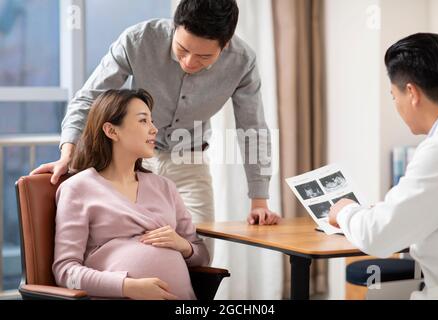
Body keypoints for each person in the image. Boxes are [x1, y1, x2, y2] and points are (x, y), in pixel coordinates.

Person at [30, 0, 281, 261]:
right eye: (182, 49)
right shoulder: (139, 40)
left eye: (204, 57)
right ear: (175, 27)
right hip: (132, 164)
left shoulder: (242, 62)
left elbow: (253, 129)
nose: (189, 62)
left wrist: (259, 200)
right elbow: (88, 99)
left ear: (225, 45)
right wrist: (67, 151)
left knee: (200, 258)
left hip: (190, 162)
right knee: (129, 254)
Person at [52, 89, 209, 300]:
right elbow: (65, 271)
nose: (154, 129)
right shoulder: (78, 188)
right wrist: (127, 287)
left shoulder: (164, 187)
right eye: (143, 121)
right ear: (111, 131)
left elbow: (202, 256)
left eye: (152, 121)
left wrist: (184, 246)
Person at [328, 33, 438, 300]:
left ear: (412, 92)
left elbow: (378, 236)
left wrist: (345, 211)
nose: (396, 104)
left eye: (393, 96)